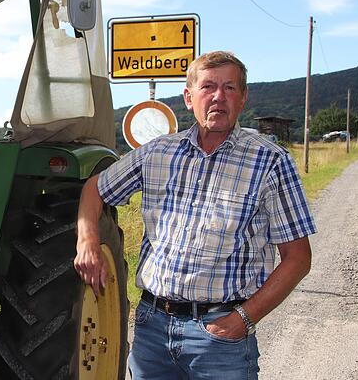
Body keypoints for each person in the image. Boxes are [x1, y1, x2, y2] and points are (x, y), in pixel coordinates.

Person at [74, 51, 316, 379]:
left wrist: (243, 319)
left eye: (230, 88)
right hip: (151, 330)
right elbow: (94, 189)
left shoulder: (270, 162)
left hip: (219, 340)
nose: (219, 96)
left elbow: (298, 258)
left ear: (243, 99)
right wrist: (87, 240)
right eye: (208, 87)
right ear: (189, 97)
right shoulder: (158, 153)